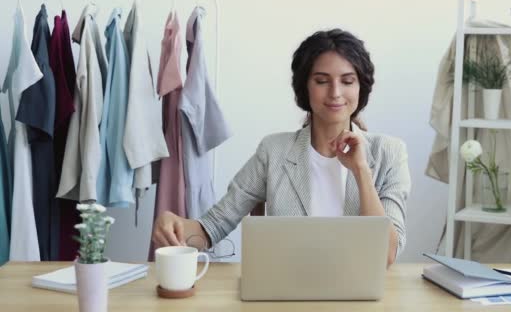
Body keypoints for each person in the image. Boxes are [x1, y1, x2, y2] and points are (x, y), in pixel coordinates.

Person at [152, 29, 411, 266]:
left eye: (347, 81)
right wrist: (176, 227)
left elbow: (385, 255)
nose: (335, 92)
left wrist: (361, 170)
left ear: (360, 87)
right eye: (322, 81)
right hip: (287, 294)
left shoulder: (389, 152)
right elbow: (212, 227)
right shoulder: (273, 150)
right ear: (304, 87)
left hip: (362, 297)